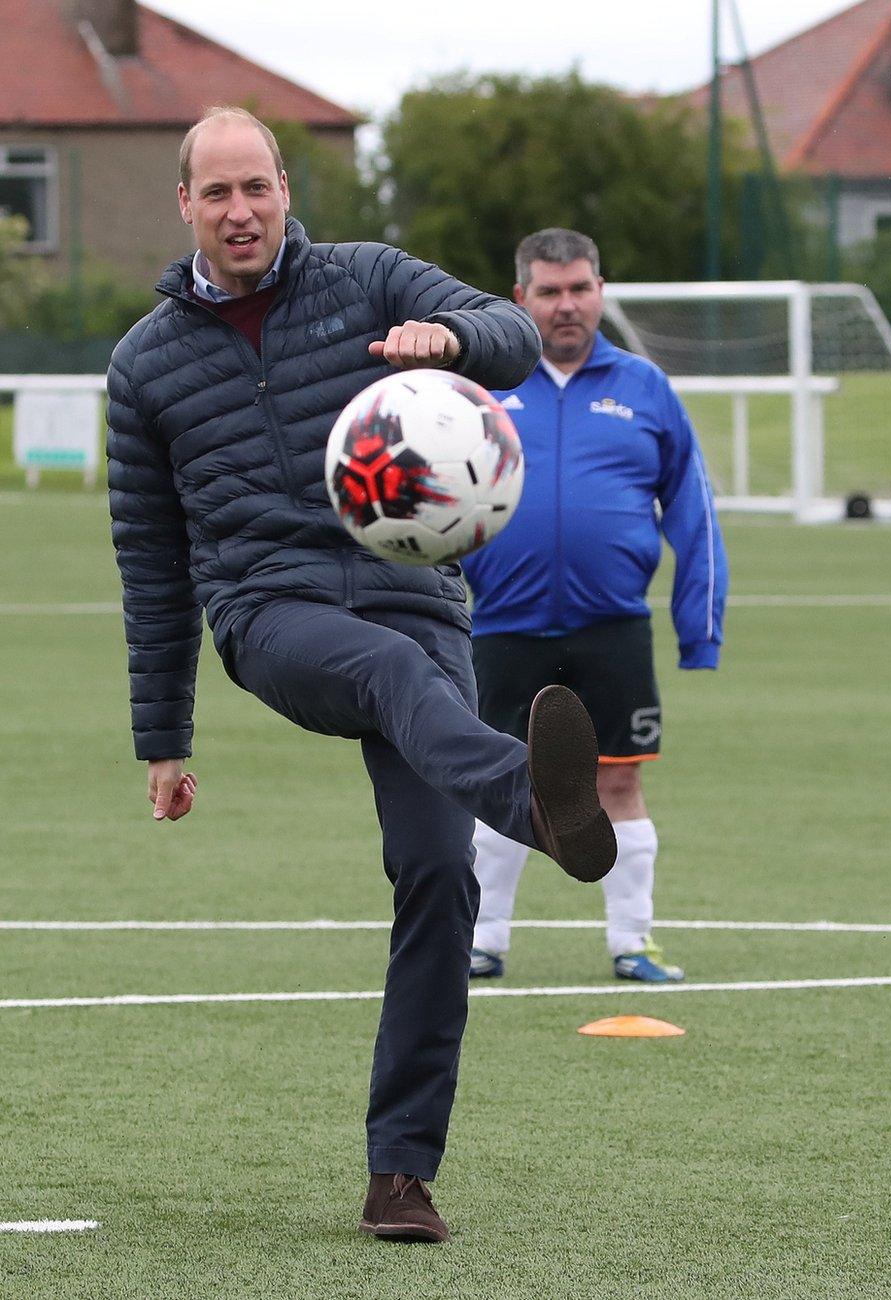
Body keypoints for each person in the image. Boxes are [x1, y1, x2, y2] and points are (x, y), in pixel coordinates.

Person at [106, 112, 616, 1245]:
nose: (241, 211)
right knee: (384, 672)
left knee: (439, 876)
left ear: (286, 189)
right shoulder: (144, 363)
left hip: (412, 597)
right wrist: (165, 736)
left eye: (258, 187)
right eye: (217, 192)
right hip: (271, 613)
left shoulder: (369, 279)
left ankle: (400, 1173)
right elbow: (149, 558)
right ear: (182, 205)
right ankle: (532, 798)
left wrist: (451, 346)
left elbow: (513, 335)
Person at [461, 228, 728, 984]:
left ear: (600, 291)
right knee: (500, 785)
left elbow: (693, 511)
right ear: (521, 299)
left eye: (580, 288)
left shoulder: (645, 389)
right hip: (502, 628)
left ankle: (632, 943)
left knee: (619, 781)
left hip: (612, 629)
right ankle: (483, 941)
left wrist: (699, 628)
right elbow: (436, 496)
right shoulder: (482, 390)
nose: (567, 304)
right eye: (549, 291)